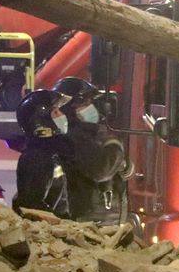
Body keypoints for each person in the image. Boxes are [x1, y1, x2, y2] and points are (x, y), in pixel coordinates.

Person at [52, 77, 131, 225]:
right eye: (85, 104)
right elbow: (101, 170)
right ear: (69, 109)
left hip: (103, 220)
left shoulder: (91, 134)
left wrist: (123, 165)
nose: (91, 107)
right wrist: (114, 144)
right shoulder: (74, 137)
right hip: (88, 223)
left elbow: (122, 170)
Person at [11, 88, 72, 217]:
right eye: (55, 111)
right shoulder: (38, 157)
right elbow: (32, 207)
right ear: (42, 120)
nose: (62, 115)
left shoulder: (49, 152)